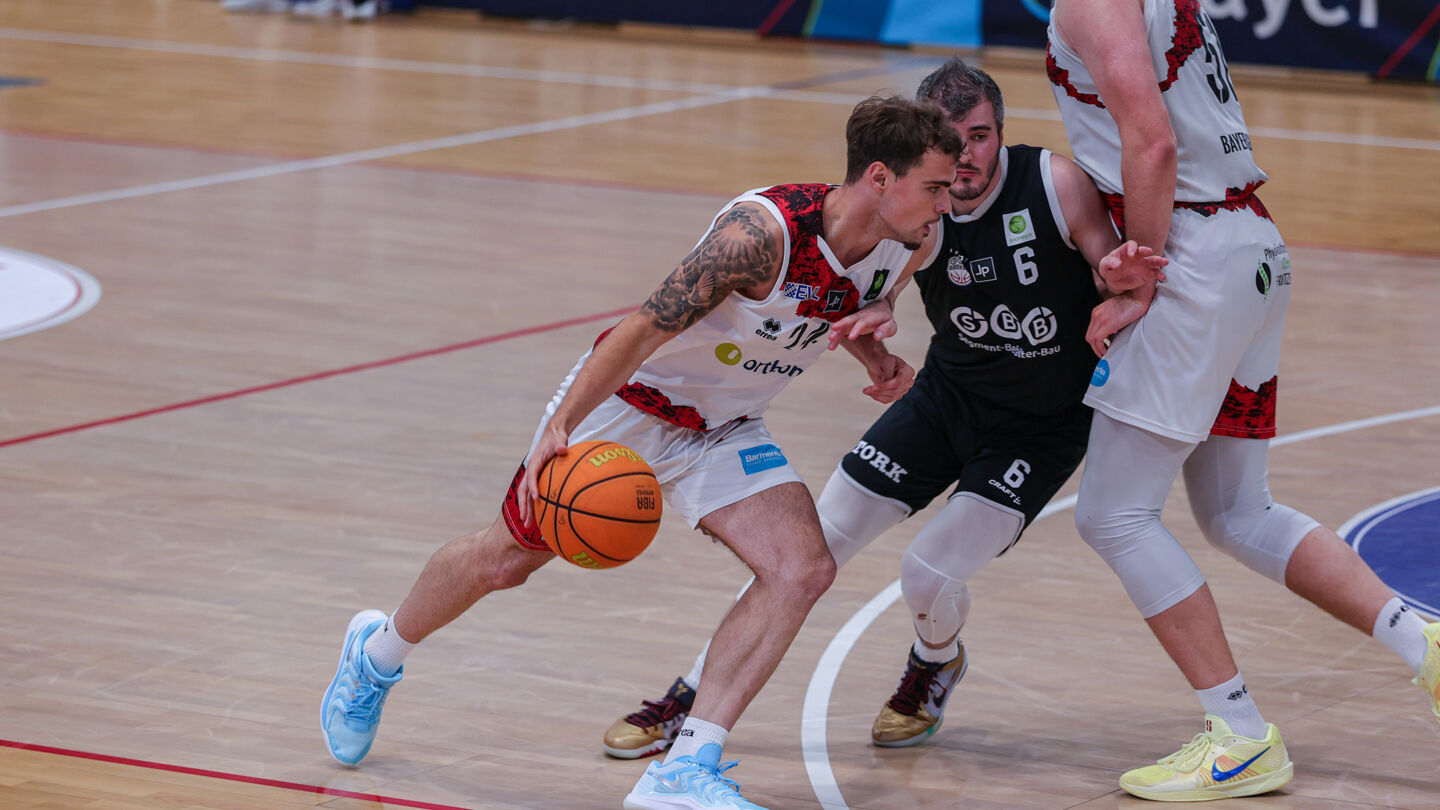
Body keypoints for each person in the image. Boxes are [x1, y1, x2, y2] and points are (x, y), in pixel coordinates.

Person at [320, 95, 965, 810]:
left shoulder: (915, 239)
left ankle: (683, 770)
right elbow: (642, 329)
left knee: (801, 568)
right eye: (935, 186)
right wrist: (560, 426)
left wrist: (876, 348)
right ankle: (376, 656)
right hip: (630, 407)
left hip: (726, 424)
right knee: (505, 561)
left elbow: (849, 303)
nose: (948, 202)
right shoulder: (759, 236)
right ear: (880, 177)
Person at [600, 57, 1166, 759]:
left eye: (981, 135)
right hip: (945, 400)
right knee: (810, 546)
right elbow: (881, 291)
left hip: (1040, 427)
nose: (967, 156)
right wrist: (882, 319)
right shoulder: (917, 205)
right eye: (953, 139)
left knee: (928, 572)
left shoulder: (1054, 184)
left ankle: (935, 662)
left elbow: (1118, 282)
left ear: (1002, 131)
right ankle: (689, 696)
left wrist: (1118, 281)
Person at [1047, 0, 1440, 801]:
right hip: (1251, 249)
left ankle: (1241, 736)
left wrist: (1139, 274)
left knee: (1113, 515)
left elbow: (1153, 142)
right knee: (1237, 511)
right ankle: (1426, 646)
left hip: (1191, 258)